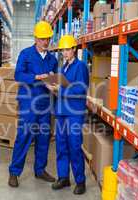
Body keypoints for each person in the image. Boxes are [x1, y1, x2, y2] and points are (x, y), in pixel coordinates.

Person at [8, 21, 58, 188]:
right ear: (36, 38)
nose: (46, 42)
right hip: (29, 103)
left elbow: (54, 78)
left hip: (45, 104)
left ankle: (40, 170)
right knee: (24, 137)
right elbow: (18, 75)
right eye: (43, 39)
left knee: (43, 138)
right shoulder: (26, 54)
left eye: (48, 38)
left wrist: (53, 82)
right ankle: (14, 172)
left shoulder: (52, 59)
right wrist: (37, 77)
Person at [46, 35, 89, 195]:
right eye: (63, 50)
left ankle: (80, 181)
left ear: (74, 50)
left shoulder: (80, 67)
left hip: (74, 114)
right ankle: (63, 177)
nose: (64, 53)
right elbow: (62, 89)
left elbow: (81, 90)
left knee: (75, 147)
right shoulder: (62, 68)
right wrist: (53, 88)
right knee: (61, 147)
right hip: (62, 113)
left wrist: (60, 90)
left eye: (67, 49)